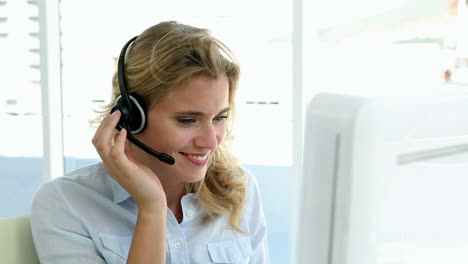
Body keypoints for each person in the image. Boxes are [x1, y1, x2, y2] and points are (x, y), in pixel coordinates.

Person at [31, 21, 269, 263]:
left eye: (220, 117)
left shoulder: (240, 188)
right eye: (187, 120)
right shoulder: (66, 202)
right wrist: (153, 208)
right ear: (132, 116)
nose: (210, 141)